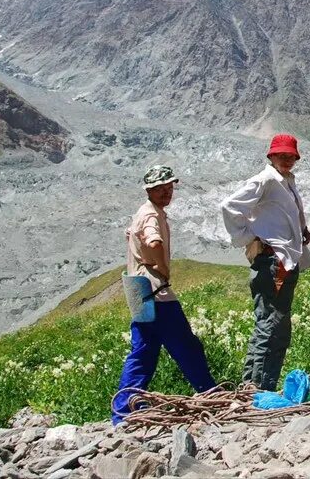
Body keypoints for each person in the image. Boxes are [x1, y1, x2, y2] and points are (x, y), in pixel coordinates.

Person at [112, 166, 215, 425]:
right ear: (149, 190)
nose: (166, 193)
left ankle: (124, 409)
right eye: (161, 189)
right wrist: (163, 267)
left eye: (169, 188)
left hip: (139, 292)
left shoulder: (143, 212)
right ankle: (210, 393)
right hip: (157, 293)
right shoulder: (151, 216)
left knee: (143, 351)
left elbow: (130, 236)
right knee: (186, 346)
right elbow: (153, 242)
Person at [220, 133, 310, 391]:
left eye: (290, 156)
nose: (286, 159)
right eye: (281, 155)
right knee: (272, 324)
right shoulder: (265, 180)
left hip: (284, 259)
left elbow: (281, 214)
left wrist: (300, 229)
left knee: (273, 323)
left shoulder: (285, 181)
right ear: (271, 156)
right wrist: (250, 237)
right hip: (273, 262)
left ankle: (254, 384)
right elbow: (229, 206)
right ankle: (258, 387)